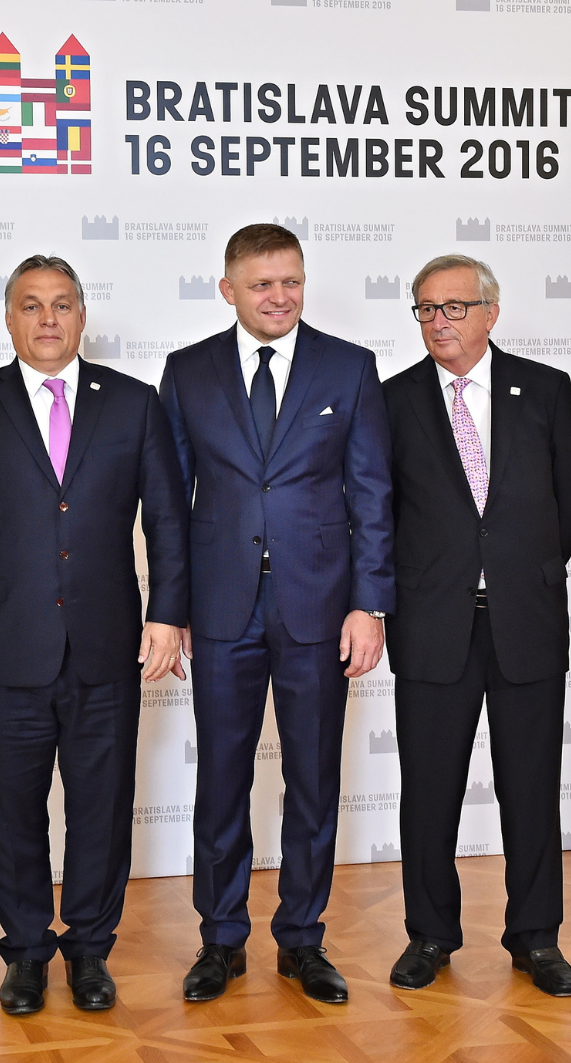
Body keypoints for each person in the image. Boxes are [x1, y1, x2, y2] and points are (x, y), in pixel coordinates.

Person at [0, 255, 188, 1016]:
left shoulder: (134, 405)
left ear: (81, 316)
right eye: (31, 305)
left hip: (108, 646)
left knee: (103, 807)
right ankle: (28, 952)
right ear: (8, 319)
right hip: (3, 651)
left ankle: (90, 952)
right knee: (12, 810)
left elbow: (168, 521)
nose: (47, 319)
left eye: (62, 305)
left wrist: (167, 613)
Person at [159, 223, 395, 1004]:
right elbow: (168, 506)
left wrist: (369, 604)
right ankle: (221, 940)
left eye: (291, 280)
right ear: (228, 290)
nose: (279, 296)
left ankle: (302, 939)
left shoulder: (349, 367)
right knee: (221, 781)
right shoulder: (187, 372)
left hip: (321, 611)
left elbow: (372, 496)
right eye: (262, 284)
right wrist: (172, 607)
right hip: (221, 611)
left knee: (314, 778)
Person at [382, 254, 571, 997]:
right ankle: (430, 935)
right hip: (431, 625)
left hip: (525, 622)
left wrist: (519, 566)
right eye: (426, 309)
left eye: (455, 307)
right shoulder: (394, 400)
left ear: (490, 314)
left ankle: (536, 938)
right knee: (429, 792)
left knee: (531, 787)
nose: (439, 321)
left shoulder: (544, 389)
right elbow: (378, 512)